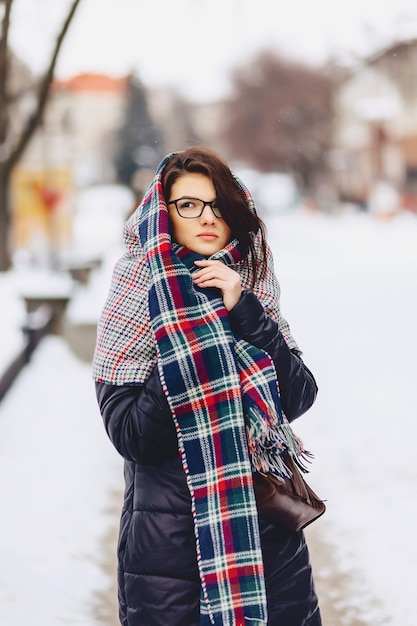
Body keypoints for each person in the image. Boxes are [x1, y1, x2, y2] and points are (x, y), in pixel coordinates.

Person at [93, 147, 321, 626]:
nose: (206, 218)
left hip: (269, 544)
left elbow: (298, 397)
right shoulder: (135, 290)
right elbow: (131, 436)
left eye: (218, 205)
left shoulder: (251, 284)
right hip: (169, 550)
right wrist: (189, 339)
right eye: (189, 205)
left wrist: (243, 311)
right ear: (163, 213)